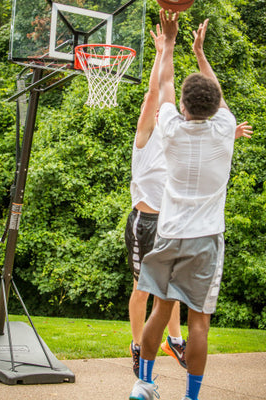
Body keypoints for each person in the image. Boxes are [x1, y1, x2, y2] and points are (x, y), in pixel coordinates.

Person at [126, 19, 253, 382]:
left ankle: (144, 383)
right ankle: (191, 395)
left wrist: (168, 43)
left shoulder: (170, 126)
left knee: (161, 309)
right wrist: (199, 52)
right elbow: (214, 93)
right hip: (206, 237)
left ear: (182, 106)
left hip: (169, 231)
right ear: (216, 108)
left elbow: (163, 85)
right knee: (198, 321)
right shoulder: (225, 128)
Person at [125, 26, 186, 378]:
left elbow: (168, 87)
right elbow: (155, 91)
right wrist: (162, 51)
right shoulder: (146, 136)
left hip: (170, 224)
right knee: (142, 290)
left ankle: (173, 340)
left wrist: (172, 48)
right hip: (144, 223)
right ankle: (137, 346)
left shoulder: (175, 136)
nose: (166, 107)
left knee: (172, 286)